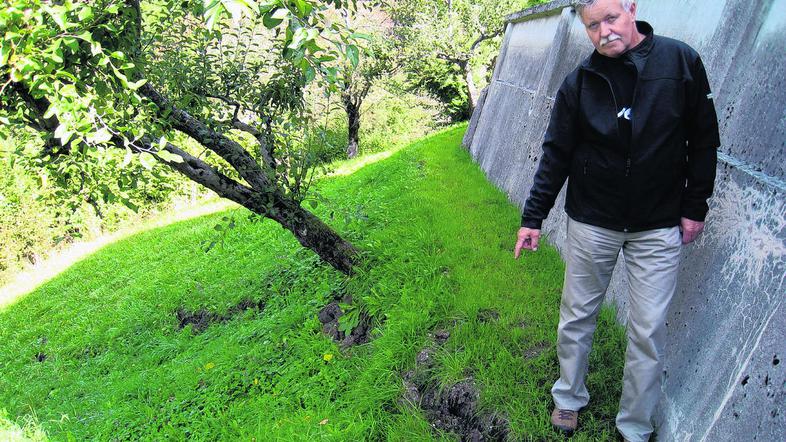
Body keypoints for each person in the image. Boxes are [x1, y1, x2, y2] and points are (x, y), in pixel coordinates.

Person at [512, 0, 720, 441]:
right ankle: (568, 397)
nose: (604, 31)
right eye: (592, 26)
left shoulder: (680, 61)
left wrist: (694, 206)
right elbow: (556, 155)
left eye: (611, 18)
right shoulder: (580, 83)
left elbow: (704, 140)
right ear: (585, 30)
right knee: (577, 315)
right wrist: (533, 218)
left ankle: (635, 425)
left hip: (658, 225)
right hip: (593, 222)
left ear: (631, 8)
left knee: (648, 330)